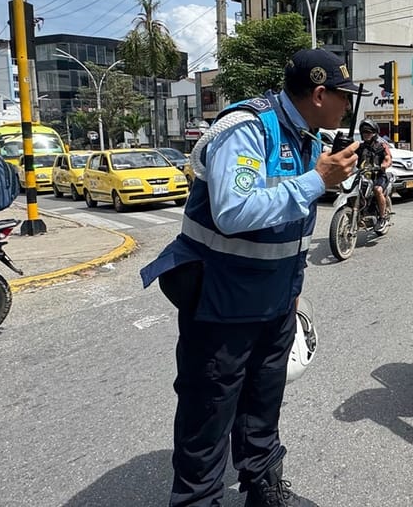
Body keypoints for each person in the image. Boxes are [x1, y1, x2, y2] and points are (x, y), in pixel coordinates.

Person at [140, 48, 365, 507]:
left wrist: (295, 291)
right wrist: (316, 181)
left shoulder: (307, 137)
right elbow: (234, 212)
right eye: (343, 96)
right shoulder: (247, 128)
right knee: (208, 411)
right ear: (319, 94)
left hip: (276, 302)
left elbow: (291, 232)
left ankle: (262, 486)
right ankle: (197, 501)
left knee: (263, 403)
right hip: (222, 304)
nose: (347, 105)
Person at [355, 119, 391, 231]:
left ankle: (382, 218)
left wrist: (384, 165)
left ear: (374, 133)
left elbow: (388, 158)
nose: (366, 135)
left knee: (377, 190)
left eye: (369, 132)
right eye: (364, 132)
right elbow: (350, 157)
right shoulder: (359, 147)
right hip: (363, 176)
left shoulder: (381, 146)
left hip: (379, 176)